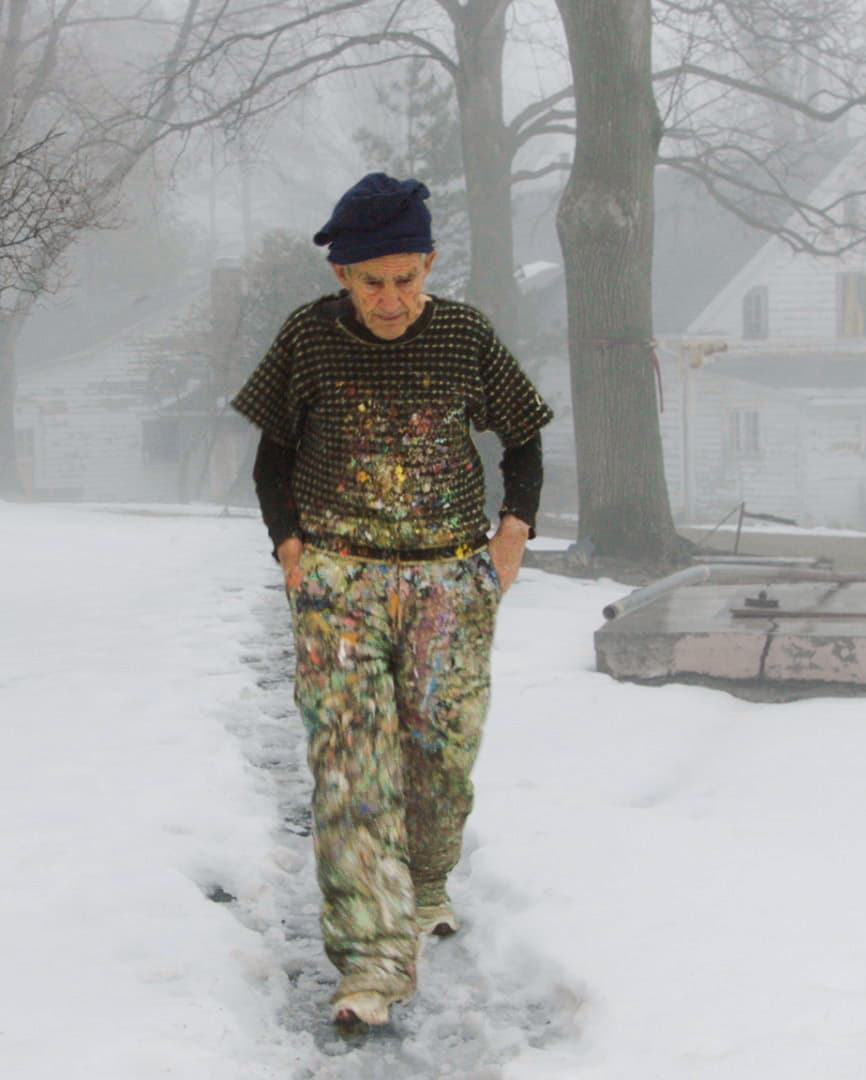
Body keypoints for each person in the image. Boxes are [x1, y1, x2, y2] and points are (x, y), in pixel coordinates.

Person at [231, 173, 552, 1029]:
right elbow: (271, 459)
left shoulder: (464, 336)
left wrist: (512, 533)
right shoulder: (307, 338)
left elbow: (522, 438)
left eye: (406, 278)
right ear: (343, 277)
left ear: (429, 264)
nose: (391, 298)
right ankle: (369, 961)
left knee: (438, 762)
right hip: (340, 578)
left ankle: (428, 879)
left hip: (449, 580)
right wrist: (292, 548)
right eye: (372, 281)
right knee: (351, 771)